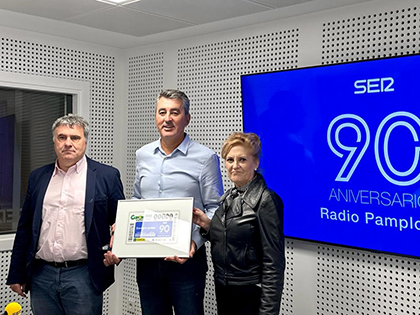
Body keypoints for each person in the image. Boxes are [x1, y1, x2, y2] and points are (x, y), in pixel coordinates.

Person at [104, 89, 224, 315]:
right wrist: (121, 232)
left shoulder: (206, 157)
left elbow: (215, 208)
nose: (167, 118)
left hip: (186, 259)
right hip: (148, 260)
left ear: (187, 118)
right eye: (162, 112)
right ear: (156, 117)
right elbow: (138, 199)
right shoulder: (143, 154)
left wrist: (194, 243)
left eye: (175, 112)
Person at [7, 114, 125, 315]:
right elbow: (26, 227)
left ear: (85, 142)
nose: (68, 143)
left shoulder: (106, 176)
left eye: (75, 138)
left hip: (83, 275)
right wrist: (16, 273)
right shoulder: (38, 177)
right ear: (54, 142)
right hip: (41, 274)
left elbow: (120, 222)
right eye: (62, 137)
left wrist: (118, 251)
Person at [193, 132, 285, 315]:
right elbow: (235, 241)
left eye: (242, 160)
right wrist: (208, 226)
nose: (234, 166)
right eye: (229, 160)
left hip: (250, 294)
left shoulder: (267, 200)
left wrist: (267, 312)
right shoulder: (229, 198)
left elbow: (273, 263)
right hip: (225, 290)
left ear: (256, 163)